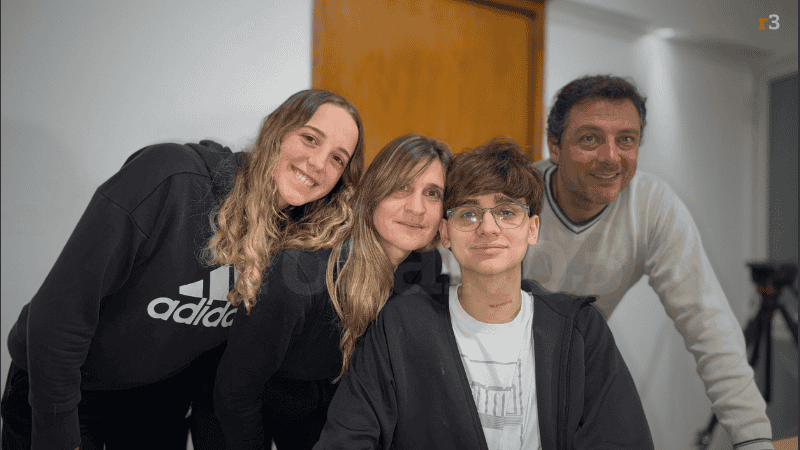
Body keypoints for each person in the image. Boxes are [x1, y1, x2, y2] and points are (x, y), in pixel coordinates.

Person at [1, 89, 365, 450]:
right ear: (276, 130)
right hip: (62, 391)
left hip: (155, 404)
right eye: (309, 138)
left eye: (337, 158)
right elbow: (58, 316)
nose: (318, 163)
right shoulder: (169, 177)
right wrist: (58, 433)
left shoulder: (301, 242)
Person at [314, 138, 654, 450]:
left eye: (506, 212)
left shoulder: (579, 331)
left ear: (532, 228)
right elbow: (345, 441)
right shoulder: (400, 324)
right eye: (469, 214)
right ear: (445, 233)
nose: (488, 228)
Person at [515, 74, 771, 449]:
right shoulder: (515, 198)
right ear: (555, 146)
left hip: (576, 369)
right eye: (590, 139)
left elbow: (710, 326)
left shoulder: (652, 207)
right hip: (497, 366)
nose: (610, 157)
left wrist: (754, 440)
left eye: (626, 140)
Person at [214, 134, 452, 450]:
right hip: (241, 411)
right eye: (401, 188)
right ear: (373, 192)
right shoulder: (301, 273)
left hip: (326, 405)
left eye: (433, 193)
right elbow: (235, 393)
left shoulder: (424, 266)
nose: (417, 208)